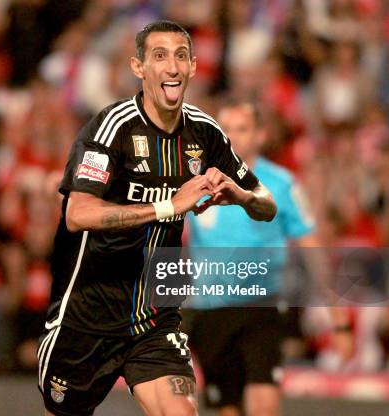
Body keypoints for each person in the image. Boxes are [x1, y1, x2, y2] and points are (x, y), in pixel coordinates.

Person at [39, 21, 277, 416]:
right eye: (159, 56)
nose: (172, 67)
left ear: (194, 67)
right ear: (139, 67)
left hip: (156, 317)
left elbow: (265, 203)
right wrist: (169, 206)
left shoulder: (205, 133)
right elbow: (77, 214)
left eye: (180, 56)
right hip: (86, 316)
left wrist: (240, 196)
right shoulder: (111, 128)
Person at [182, 99, 318, 416]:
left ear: (260, 135)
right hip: (211, 309)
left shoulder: (281, 183)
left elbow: (310, 243)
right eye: (225, 129)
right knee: (229, 409)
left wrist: (338, 319)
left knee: (263, 404)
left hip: (262, 303)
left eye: (241, 129)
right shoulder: (195, 181)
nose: (232, 137)